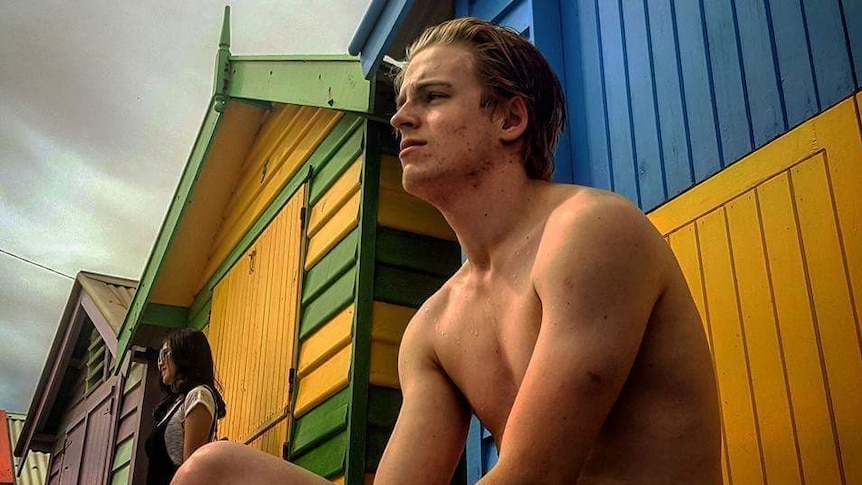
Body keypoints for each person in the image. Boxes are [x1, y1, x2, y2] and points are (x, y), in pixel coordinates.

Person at [173, 17, 721, 484]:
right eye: (403, 100)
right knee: (213, 469)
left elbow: (534, 477)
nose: (400, 117)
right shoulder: (435, 325)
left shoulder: (590, 230)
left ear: (509, 118)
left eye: (433, 97)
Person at [145, 328, 226, 485]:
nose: (160, 363)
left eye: (164, 354)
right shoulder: (177, 403)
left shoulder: (199, 395)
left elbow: (192, 467)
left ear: (184, 355)